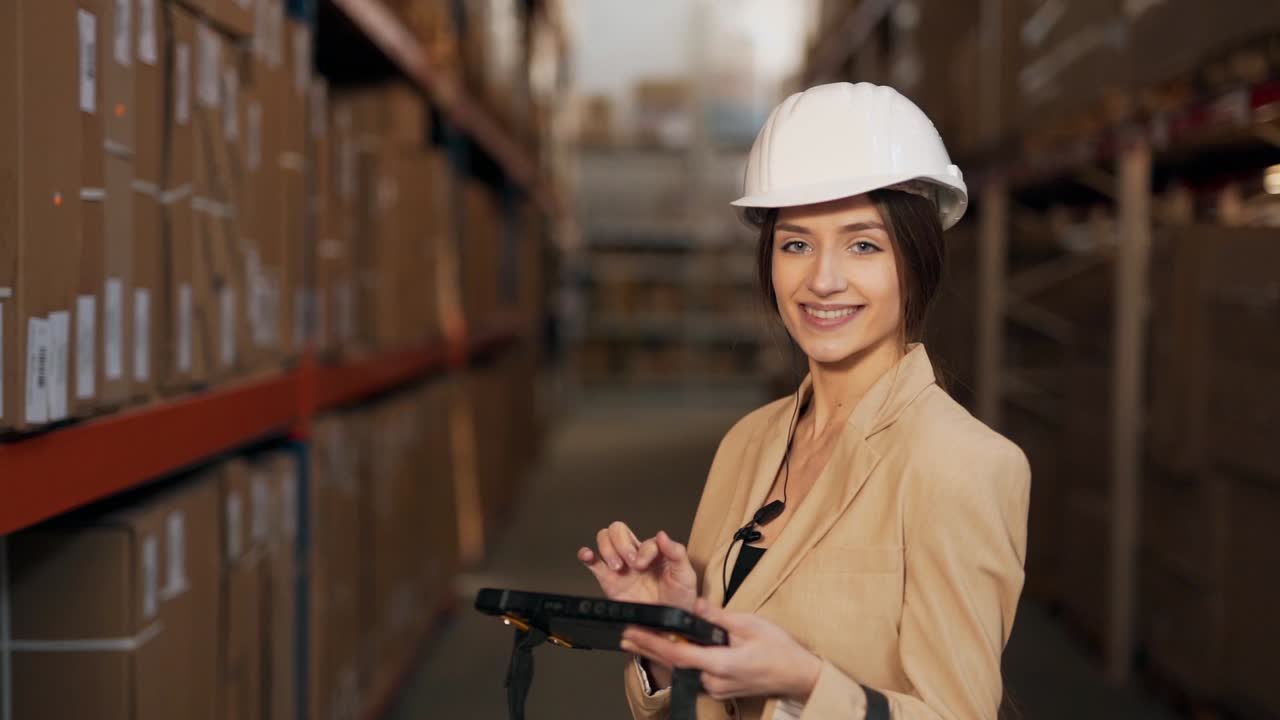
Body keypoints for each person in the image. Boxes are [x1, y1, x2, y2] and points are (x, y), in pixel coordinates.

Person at [577, 82, 1031, 720]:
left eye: (863, 244)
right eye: (796, 244)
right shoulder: (748, 442)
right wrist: (669, 639)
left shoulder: (965, 466)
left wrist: (807, 682)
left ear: (917, 260)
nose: (821, 279)